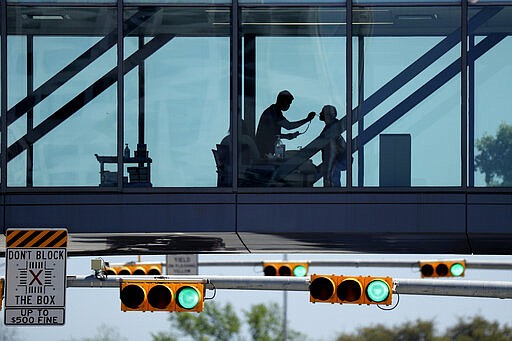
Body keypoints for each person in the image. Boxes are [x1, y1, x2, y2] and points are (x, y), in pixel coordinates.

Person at [254, 90, 316, 157]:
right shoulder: (274, 112)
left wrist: (289, 136)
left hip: (265, 150)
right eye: (288, 103)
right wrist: (307, 119)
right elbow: (288, 126)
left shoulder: (274, 110)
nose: (289, 106)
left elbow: (273, 134)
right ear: (283, 101)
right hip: (264, 151)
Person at [319, 105, 348, 187]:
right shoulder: (333, 129)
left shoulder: (331, 133)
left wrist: (327, 177)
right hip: (334, 166)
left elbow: (331, 153)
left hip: (333, 167)